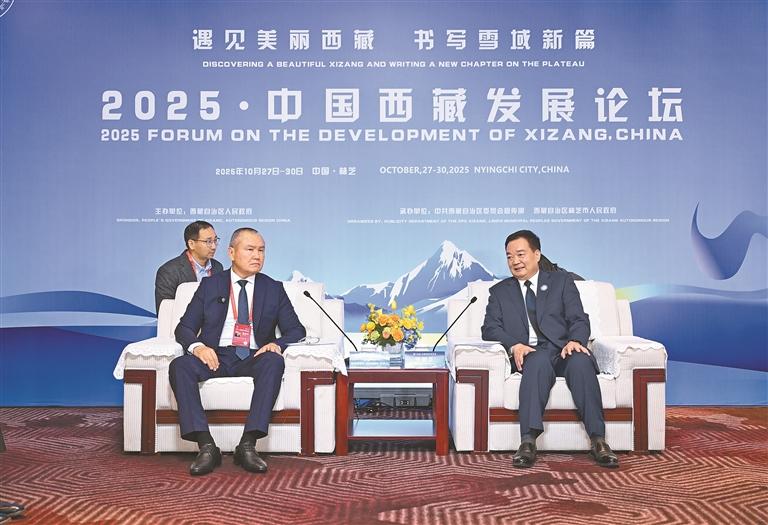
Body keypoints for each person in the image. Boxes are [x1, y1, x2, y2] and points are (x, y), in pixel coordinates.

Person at [169, 228, 306, 475]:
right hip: (215, 356)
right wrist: (199, 347)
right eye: (250, 249)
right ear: (231, 253)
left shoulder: (273, 288)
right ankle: (206, 446)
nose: (257, 256)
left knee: (274, 361)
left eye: (261, 250)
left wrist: (277, 344)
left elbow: (296, 329)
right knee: (180, 365)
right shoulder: (210, 286)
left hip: (253, 356)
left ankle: (248, 444)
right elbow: (184, 328)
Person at [481, 230, 618, 469]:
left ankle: (598, 440)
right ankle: (528, 441)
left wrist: (576, 340)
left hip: (563, 350)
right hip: (531, 352)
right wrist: (514, 345)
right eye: (509, 256)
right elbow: (490, 328)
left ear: (536, 254)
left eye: (520, 254)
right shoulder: (500, 292)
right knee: (536, 361)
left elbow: (579, 318)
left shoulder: (561, 282)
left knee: (581, 360)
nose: (515, 261)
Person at [154, 221, 224, 312]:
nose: (214, 246)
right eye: (208, 241)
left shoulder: (218, 267)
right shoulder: (169, 271)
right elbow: (165, 312)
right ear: (191, 244)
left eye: (215, 240)